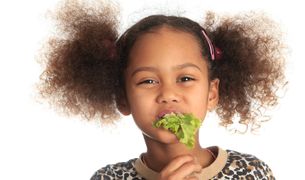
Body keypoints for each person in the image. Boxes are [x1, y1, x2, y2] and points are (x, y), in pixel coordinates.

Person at [37, 0, 286, 179]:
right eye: (148, 81)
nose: (168, 94)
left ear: (211, 93)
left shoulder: (252, 172)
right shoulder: (108, 178)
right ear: (123, 99)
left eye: (185, 78)